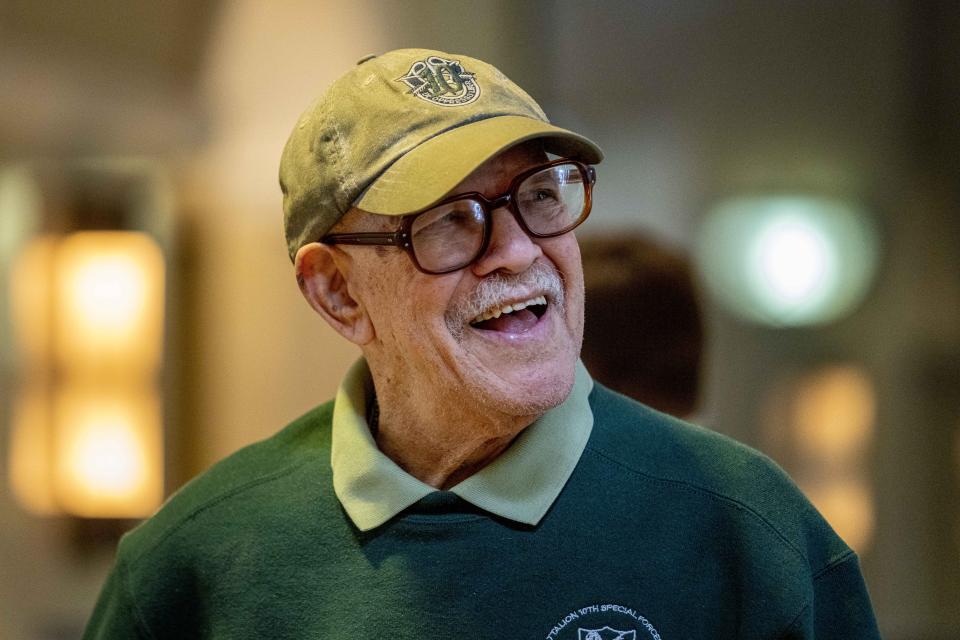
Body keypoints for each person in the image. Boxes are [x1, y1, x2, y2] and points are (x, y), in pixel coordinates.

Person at [83, 48, 880, 639]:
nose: (519, 250)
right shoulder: (195, 566)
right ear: (336, 291)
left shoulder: (748, 533)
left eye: (538, 195)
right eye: (446, 220)